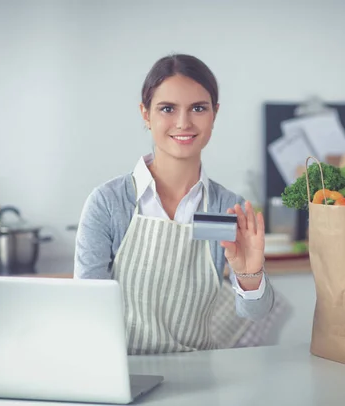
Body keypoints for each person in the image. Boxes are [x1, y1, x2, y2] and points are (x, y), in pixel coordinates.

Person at [74, 53, 274, 355]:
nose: (183, 123)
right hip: (121, 373)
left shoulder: (225, 207)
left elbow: (254, 313)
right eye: (167, 108)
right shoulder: (109, 203)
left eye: (198, 108)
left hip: (199, 372)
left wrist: (250, 275)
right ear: (145, 114)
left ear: (214, 114)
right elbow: (87, 311)